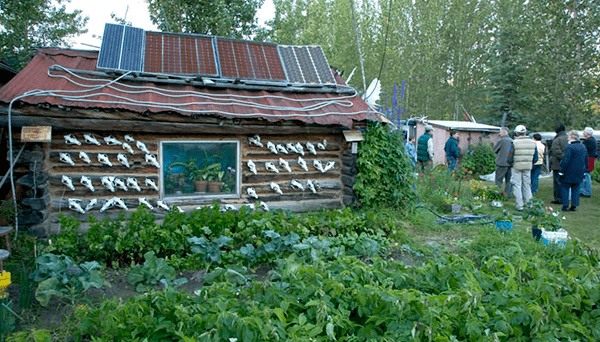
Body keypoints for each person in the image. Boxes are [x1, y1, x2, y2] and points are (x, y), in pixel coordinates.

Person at [507, 125, 537, 211]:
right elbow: (535, 158)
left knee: (517, 185)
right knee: (527, 185)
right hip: (527, 167)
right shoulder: (533, 143)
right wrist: (530, 163)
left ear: (517, 133)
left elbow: (510, 156)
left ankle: (519, 205)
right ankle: (529, 204)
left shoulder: (514, 143)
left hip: (516, 166)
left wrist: (511, 164)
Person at [559, 130, 588, 211]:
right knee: (576, 188)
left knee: (565, 187)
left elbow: (566, 160)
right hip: (579, 171)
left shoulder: (570, 147)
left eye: (568, 136)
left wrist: (562, 171)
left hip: (569, 171)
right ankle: (574, 205)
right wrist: (585, 170)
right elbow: (586, 159)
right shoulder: (583, 146)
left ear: (572, 137)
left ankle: (565, 205)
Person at [549, 125, 568, 204]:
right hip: (567, 164)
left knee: (557, 182)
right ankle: (565, 197)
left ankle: (558, 198)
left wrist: (563, 158)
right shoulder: (567, 138)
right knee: (566, 182)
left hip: (557, 164)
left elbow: (555, 151)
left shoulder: (557, 139)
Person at [493, 127, 513, 198]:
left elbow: (495, 149)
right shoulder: (512, 141)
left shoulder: (501, 141)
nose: (499, 133)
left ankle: (497, 195)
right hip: (510, 164)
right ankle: (507, 195)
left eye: (500, 132)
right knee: (508, 181)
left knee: (498, 180)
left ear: (504, 132)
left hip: (501, 163)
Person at [580, 127, 598, 197]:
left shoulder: (588, 141)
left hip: (588, 160)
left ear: (587, 133)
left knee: (586, 176)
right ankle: (584, 191)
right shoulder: (592, 140)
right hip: (590, 160)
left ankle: (586, 192)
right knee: (586, 175)